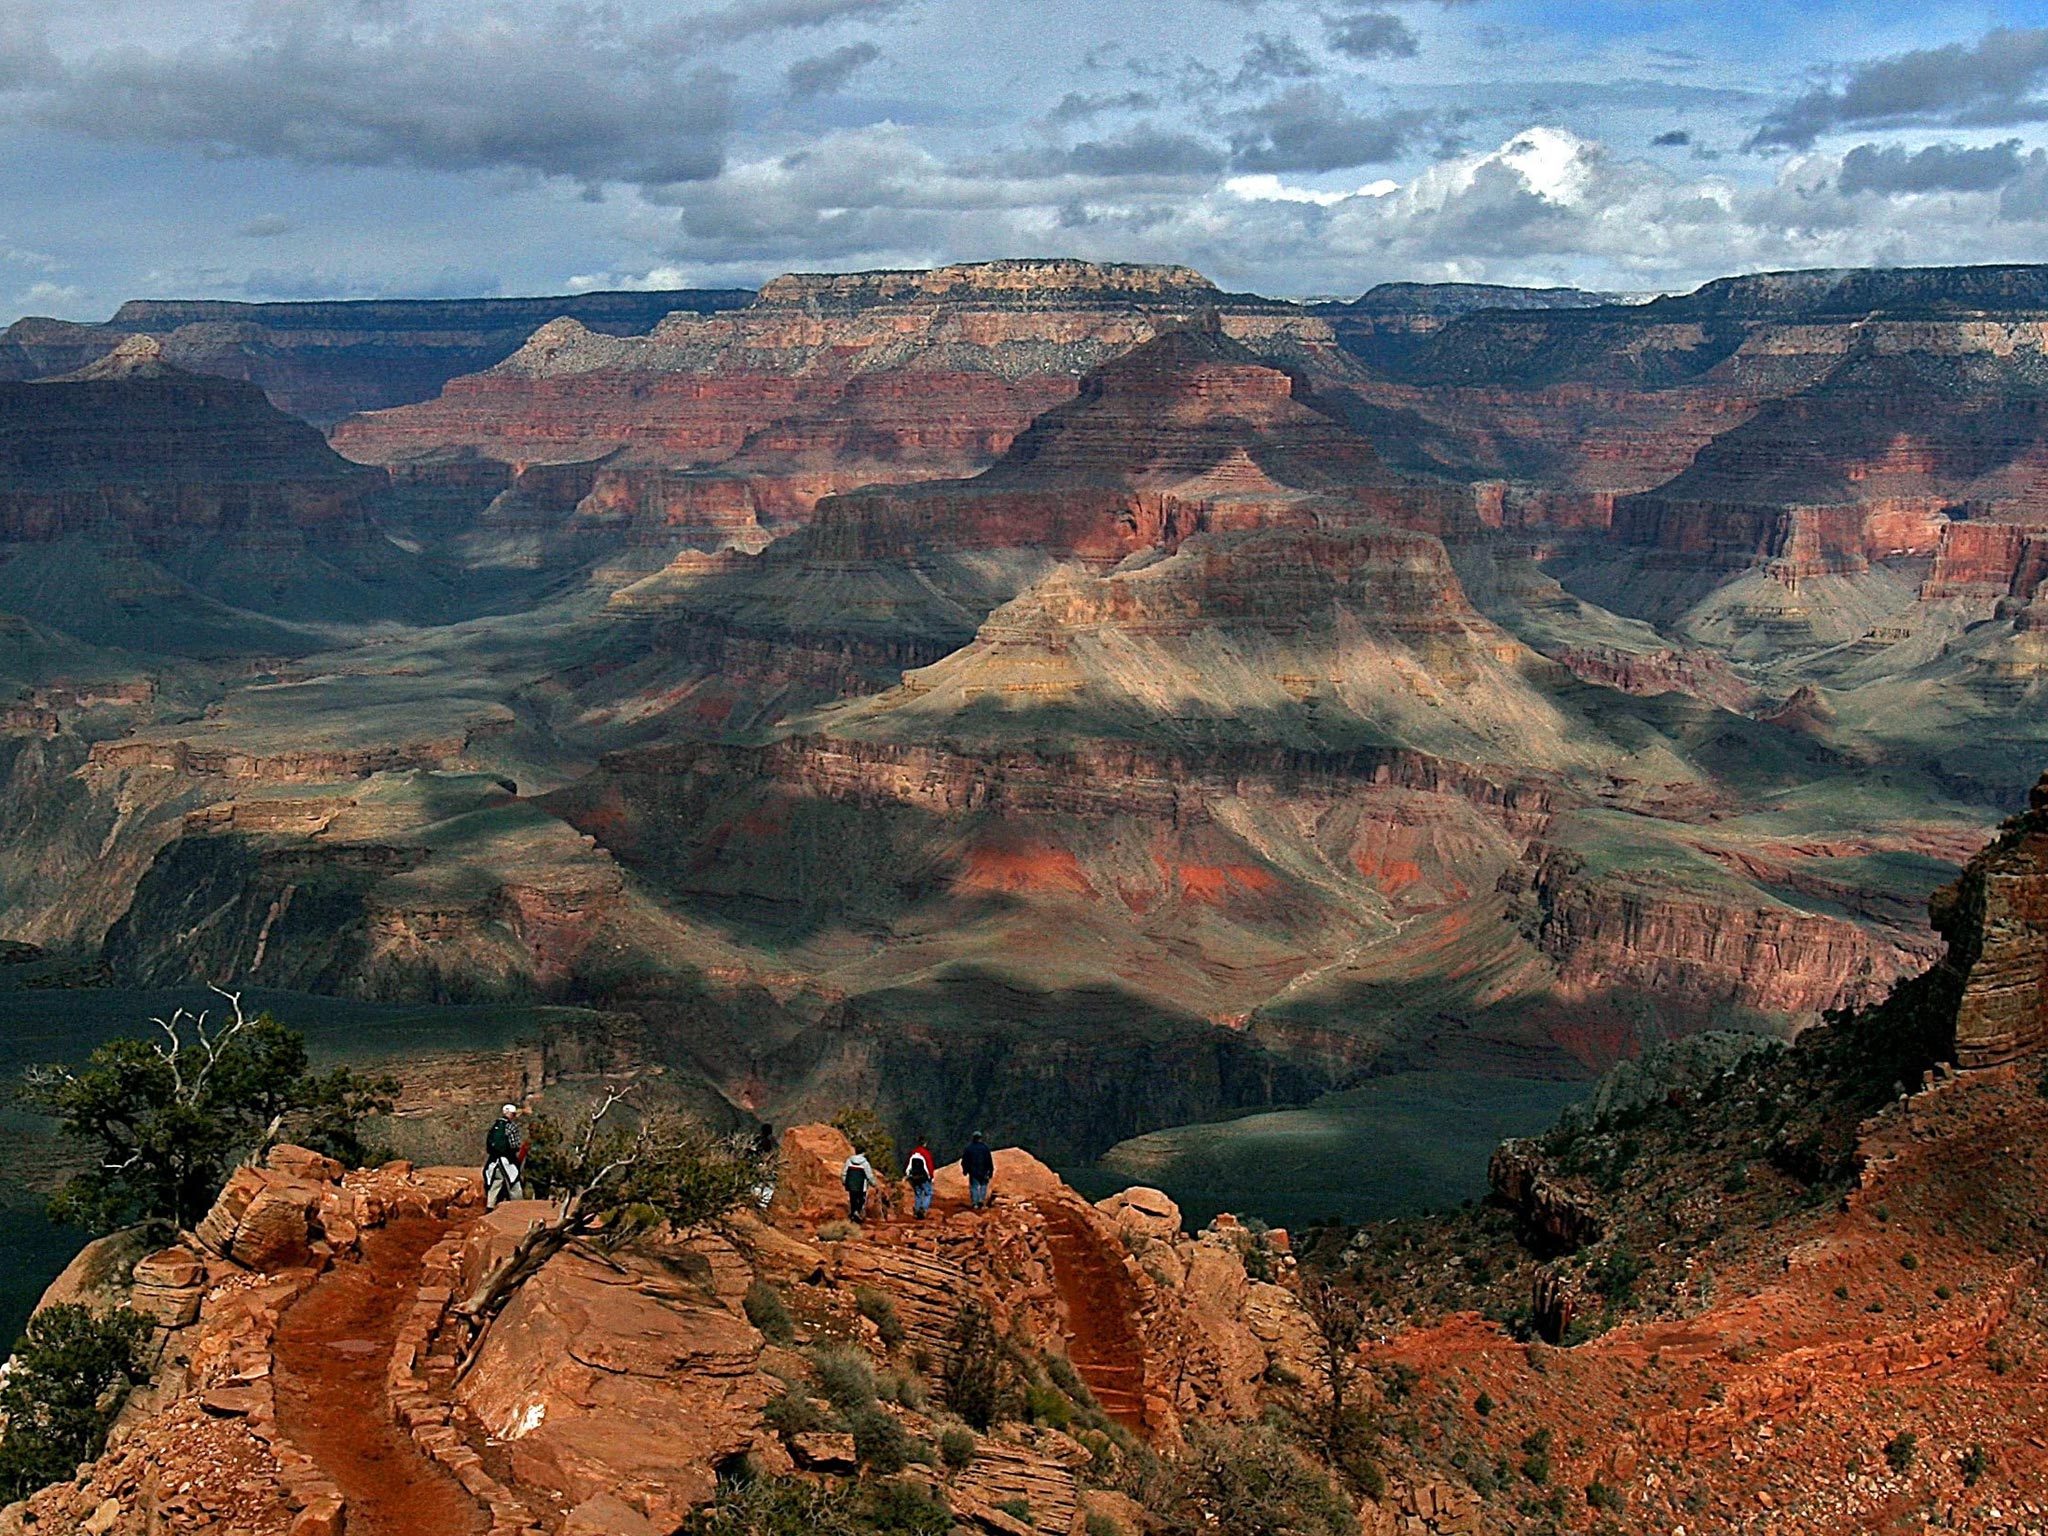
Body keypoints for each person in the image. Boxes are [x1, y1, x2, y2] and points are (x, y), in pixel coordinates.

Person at [484, 1103, 526, 1210]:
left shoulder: (495, 1126)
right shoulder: (511, 1127)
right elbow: (515, 1145)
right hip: (507, 1161)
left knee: (495, 1183)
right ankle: (518, 1207)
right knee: (514, 1182)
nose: (514, 1116)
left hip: (494, 1161)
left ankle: (490, 1206)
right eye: (513, 1114)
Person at [962, 1131, 995, 1211]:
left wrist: (965, 1170)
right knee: (984, 1185)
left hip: (973, 1171)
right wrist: (990, 1171)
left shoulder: (969, 1148)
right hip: (983, 1170)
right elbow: (989, 1160)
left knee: (974, 1187)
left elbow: (965, 1161)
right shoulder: (985, 1148)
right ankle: (981, 1199)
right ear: (980, 1138)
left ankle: (975, 1203)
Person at [904, 1137, 935, 1220]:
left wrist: (908, 1175)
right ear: (925, 1143)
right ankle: (923, 1208)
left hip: (914, 1177)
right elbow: (929, 1166)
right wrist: (931, 1177)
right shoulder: (926, 1153)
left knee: (918, 1194)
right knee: (929, 1193)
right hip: (924, 1177)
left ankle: (917, 1210)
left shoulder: (913, 1152)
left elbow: (908, 1165)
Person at [843, 1149, 877, 1222]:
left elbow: (844, 1172)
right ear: (864, 1153)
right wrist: (874, 1184)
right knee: (861, 1200)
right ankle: (857, 1212)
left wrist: (844, 1181)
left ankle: (853, 1214)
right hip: (862, 1186)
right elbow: (869, 1176)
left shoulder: (849, 1161)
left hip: (851, 1185)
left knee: (853, 1199)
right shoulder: (865, 1163)